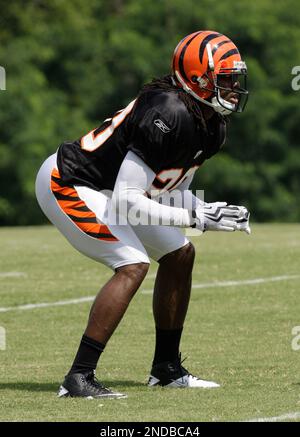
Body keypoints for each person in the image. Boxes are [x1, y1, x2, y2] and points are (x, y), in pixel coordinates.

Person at [35, 30, 250, 399]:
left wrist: (204, 208)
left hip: (110, 191)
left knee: (180, 254)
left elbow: (172, 192)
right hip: (71, 182)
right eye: (225, 80)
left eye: (235, 80)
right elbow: (128, 200)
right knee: (133, 263)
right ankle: (78, 377)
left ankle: (166, 369)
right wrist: (197, 219)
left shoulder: (211, 125)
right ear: (198, 80)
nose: (233, 89)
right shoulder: (167, 111)